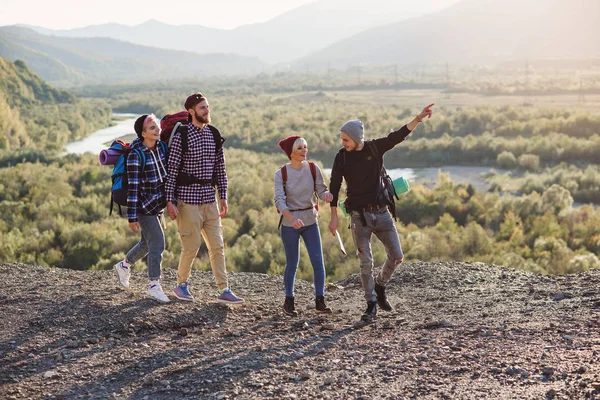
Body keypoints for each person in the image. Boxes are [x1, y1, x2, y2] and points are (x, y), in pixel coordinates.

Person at [328, 104, 435, 322]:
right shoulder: (342, 157)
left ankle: (380, 285)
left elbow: (399, 135)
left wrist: (418, 118)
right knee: (365, 262)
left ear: (357, 138)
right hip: (359, 217)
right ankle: (371, 304)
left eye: (346, 139)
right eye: (342, 139)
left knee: (396, 257)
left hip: (382, 213)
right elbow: (334, 185)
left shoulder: (375, 148)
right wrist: (333, 216)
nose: (343, 143)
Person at [165, 92, 243, 304]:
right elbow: (171, 170)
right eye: (202, 108)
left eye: (207, 107)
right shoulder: (182, 135)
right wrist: (169, 201)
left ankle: (224, 289)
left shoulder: (213, 134)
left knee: (217, 246)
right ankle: (181, 284)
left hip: (210, 199)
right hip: (187, 200)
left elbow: (221, 168)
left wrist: (223, 195)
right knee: (191, 246)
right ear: (191, 112)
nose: (207, 111)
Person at [274, 136, 334, 316]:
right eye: (300, 148)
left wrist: (326, 196)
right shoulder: (281, 174)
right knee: (292, 263)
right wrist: (292, 219)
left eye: (305, 147)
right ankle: (289, 302)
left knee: (318, 261)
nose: (304, 150)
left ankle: (320, 301)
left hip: (310, 220)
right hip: (289, 223)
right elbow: (279, 201)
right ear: (290, 152)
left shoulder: (313, 168)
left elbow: (321, 190)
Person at [114, 114, 170, 303]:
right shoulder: (135, 155)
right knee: (158, 242)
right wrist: (132, 217)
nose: (157, 130)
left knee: (146, 244)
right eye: (152, 128)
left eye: (157, 127)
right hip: (144, 207)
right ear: (143, 133)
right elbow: (134, 188)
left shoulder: (161, 147)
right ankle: (154, 285)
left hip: (158, 205)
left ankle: (124, 265)